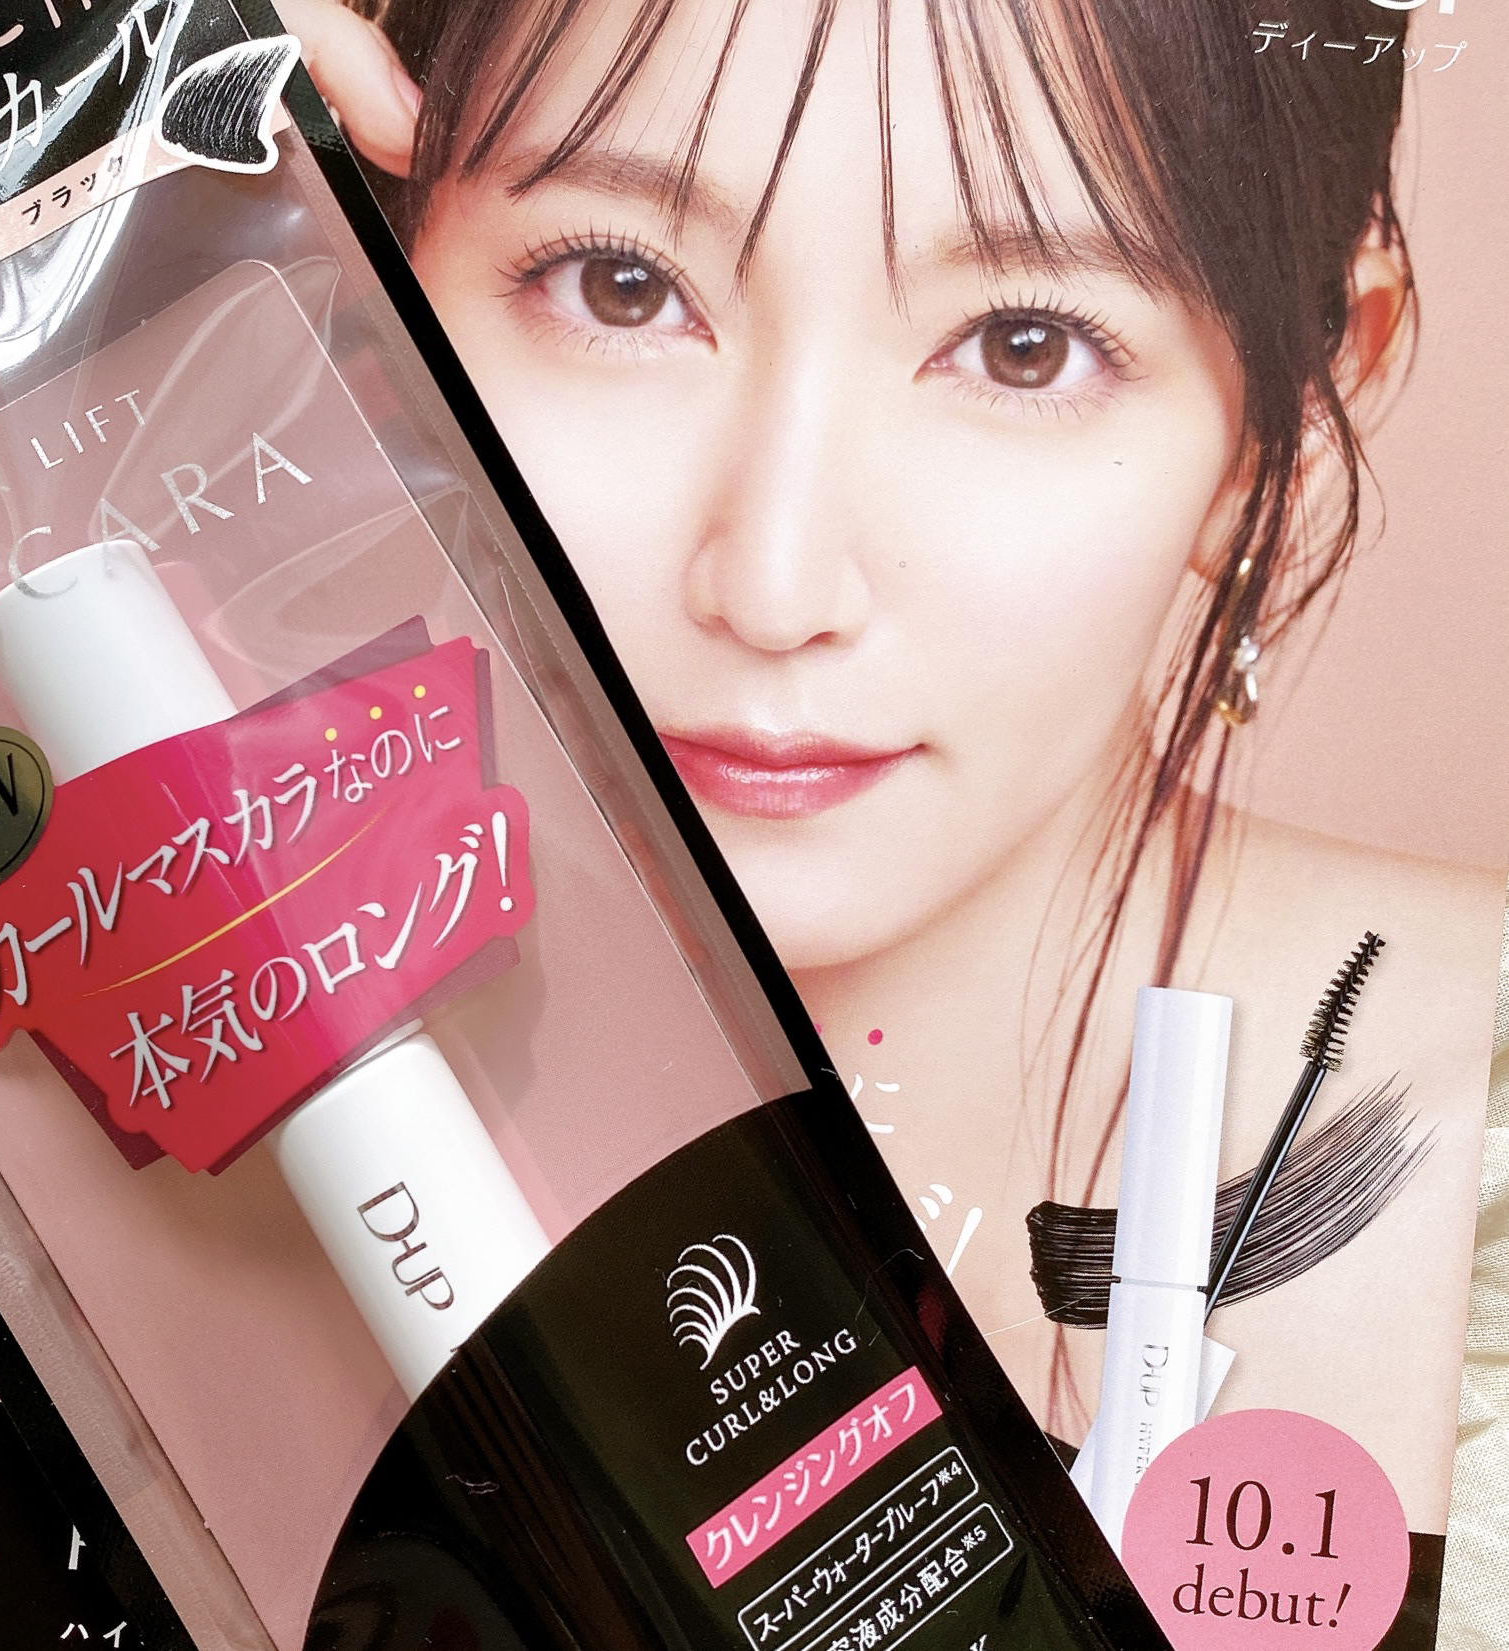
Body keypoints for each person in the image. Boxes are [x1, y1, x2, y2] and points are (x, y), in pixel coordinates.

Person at [279, 0, 1495, 1534]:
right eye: (620, 286)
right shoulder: (61, 1135)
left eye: (1024, 346)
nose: (775, 587)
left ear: (1292, 414)